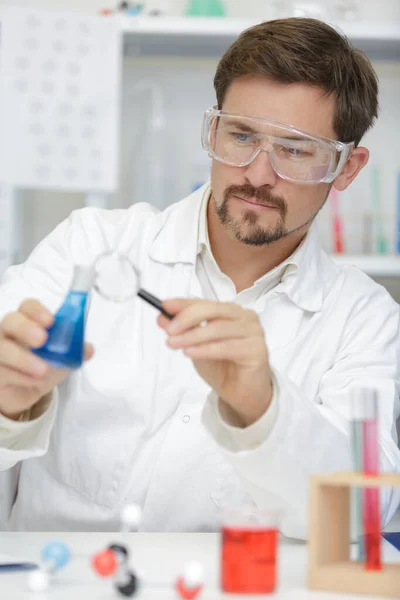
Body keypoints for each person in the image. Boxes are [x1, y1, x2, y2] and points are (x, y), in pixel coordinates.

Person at [0, 17, 399, 536]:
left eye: (296, 150)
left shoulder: (364, 320)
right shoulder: (91, 245)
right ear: (212, 130)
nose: (258, 174)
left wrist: (263, 406)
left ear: (346, 168)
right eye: (241, 135)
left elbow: (365, 511)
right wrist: (12, 404)